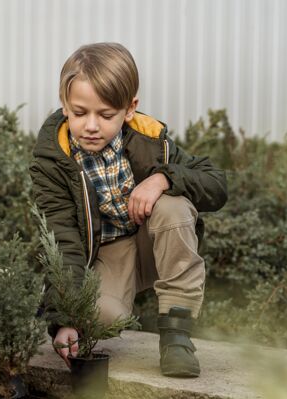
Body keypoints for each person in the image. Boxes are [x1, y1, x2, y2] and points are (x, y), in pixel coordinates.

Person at [30, 42, 227, 378]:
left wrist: (163, 178)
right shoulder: (54, 161)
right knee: (98, 319)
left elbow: (216, 184)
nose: (91, 125)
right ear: (64, 104)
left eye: (106, 115)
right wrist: (63, 320)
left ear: (129, 108)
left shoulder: (150, 140)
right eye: (80, 113)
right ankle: (104, 311)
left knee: (173, 206)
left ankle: (177, 337)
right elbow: (62, 238)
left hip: (155, 241)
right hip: (109, 256)